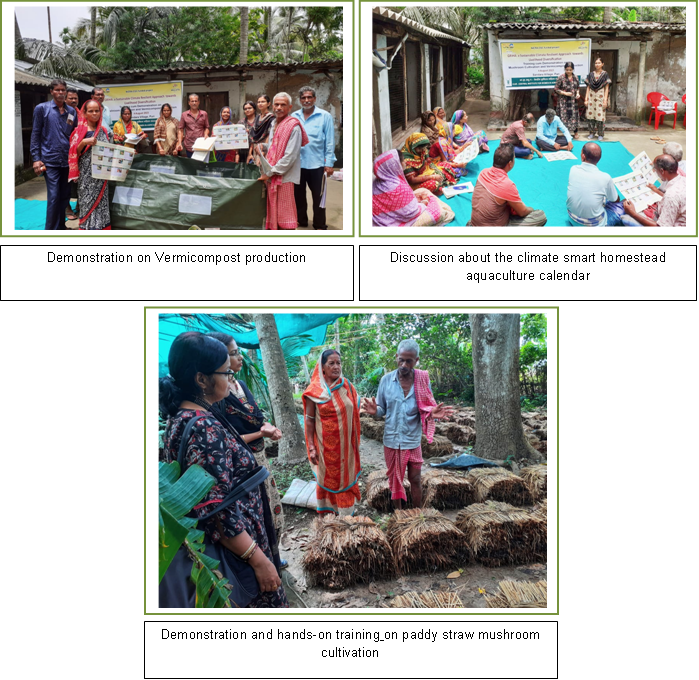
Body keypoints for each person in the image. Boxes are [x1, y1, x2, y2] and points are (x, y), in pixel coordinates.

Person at [159, 332, 288, 608]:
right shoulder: (204, 429)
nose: (231, 378)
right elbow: (217, 511)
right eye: (225, 372)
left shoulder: (182, 417)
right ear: (202, 379)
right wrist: (259, 560)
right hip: (237, 553)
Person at [206, 333, 286, 549]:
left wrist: (267, 427)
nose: (240, 357)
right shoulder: (218, 397)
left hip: (260, 461)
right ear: (219, 359)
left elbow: (257, 416)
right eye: (233, 354)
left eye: (238, 351)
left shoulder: (240, 385)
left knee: (271, 509)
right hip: (243, 466)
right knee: (253, 514)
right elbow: (227, 439)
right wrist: (262, 433)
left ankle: (274, 555)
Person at [362, 340, 453, 510]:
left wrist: (431, 414)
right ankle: (399, 514)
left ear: (416, 360)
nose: (404, 364)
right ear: (396, 357)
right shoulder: (386, 380)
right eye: (401, 359)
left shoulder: (423, 380)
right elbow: (382, 409)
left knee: (415, 479)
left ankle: (416, 512)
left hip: (412, 440)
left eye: (409, 361)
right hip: (392, 440)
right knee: (395, 481)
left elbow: (427, 407)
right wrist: (376, 411)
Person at [303, 350, 362, 516]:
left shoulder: (347, 387)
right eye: (331, 363)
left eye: (338, 363)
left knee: (345, 478)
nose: (336, 367)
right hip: (325, 449)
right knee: (328, 478)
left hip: (347, 449)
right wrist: (312, 447)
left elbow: (355, 412)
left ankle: (345, 514)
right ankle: (329, 513)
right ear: (322, 368)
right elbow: (309, 420)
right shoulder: (314, 392)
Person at [30, 78, 78, 230]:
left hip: (67, 160)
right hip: (50, 160)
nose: (60, 92)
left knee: (64, 196)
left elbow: (75, 135)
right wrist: (36, 159)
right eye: (57, 90)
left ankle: (61, 227)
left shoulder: (71, 112)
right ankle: (50, 232)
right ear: (51, 92)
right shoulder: (42, 109)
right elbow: (35, 134)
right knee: (54, 197)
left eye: (63, 90)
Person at [257, 93, 309, 230]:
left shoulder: (293, 127)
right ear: (273, 106)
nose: (279, 108)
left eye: (283, 105)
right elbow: (274, 145)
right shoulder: (274, 123)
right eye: (277, 104)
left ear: (290, 107)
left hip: (284, 177)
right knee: (273, 211)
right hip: (272, 173)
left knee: (285, 216)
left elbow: (290, 157)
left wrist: (270, 173)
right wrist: (263, 146)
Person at [468, 144, 548, 226]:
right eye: (514, 158)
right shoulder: (507, 185)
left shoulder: (483, 173)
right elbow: (522, 212)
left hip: (475, 223)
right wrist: (531, 209)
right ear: (510, 163)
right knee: (540, 215)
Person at [291, 87, 336, 230]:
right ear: (300, 100)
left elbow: (329, 141)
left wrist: (328, 163)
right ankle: (301, 220)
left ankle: (319, 224)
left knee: (318, 197)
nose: (306, 100)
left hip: (317, 164)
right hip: (298, 164)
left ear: (314, 99)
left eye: (309, 97)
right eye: (303, 98)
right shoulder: (294, 116)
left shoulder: (324, 116)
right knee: (298, 196)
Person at [372, 149, 455, 226]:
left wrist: (414, 199)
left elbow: (394, 202)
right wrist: (424, 202)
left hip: (386, 217)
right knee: (438, 213)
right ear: (396, 165)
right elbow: (411, 213)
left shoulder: (375, 184)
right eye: (402, 161)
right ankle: (443, 210)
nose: (405, 162)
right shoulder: (398, 187)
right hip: (394, 224)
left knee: (423, 191)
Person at [68, 100, 112, 231]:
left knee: (102, 203)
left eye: (97, 110)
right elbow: (73, 152)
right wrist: (84, 142)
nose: (94, 113)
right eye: (91, 111)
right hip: (87, 176)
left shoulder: (103, 130)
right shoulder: (79, 131)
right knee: (87, 202)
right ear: (85, 113)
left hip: (102, 175)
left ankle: (102, 228)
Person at [566, 143, 627, 226]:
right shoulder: (605, 177)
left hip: (572, 219)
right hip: (595, 225)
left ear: (583, 156)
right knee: (622, 205)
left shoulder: (573, 169)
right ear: (599, 158)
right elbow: (615, 200)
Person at [622, 155, 686, 227]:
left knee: (626, 218)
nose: (654, 171)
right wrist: (656, 190)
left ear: (662, 171)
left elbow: (661, 228)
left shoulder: (671, 195)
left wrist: (633, 213)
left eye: (655, 169)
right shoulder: (684, 180)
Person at [584, 58, 612, 142]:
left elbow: (606, 88)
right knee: (590, 116)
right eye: (596, 63)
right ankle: (591, 133)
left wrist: (605, 100)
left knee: (600, 117)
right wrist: (586, 99)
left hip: (600, 97)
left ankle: (600, 134)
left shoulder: (605, 75)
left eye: (599, 63)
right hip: (592, 97)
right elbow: (588, 87)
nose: (597, 64)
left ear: (602, 64)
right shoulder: (591, 75)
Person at [64, 89, 81, 223]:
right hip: (65, 153)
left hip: (80, 153)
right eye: (71, 98)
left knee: (80, 181)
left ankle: (81, 205)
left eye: (76, 98)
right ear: (65, 99)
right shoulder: (65, 113)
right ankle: (67, 206)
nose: (74, 101)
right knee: (66, 182)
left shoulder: (80, 113)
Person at [554, 62, 580, 139]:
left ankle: (575, 132)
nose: (568, 71)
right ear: (565, 69)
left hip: (573, 102)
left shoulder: (575, 77)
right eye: (567, 69)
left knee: (574, 116)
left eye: (570, 70)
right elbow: (556, 89)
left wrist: (577, 94)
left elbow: (577, 88)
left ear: (573, 69)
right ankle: (566, 133)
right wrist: (565, 93)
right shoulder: (561, 77)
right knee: (564, 117)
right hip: (563, 102)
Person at [249, 94, 275, 160]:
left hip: (265, 149)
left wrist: (263, 152)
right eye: (258, 102)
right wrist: (250, 153)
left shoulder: (271, 118)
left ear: (268, 104)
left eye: (263, 101)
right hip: (256, 148)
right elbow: (253, 136)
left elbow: (269, 135)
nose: (260, 103)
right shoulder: (257, 117)